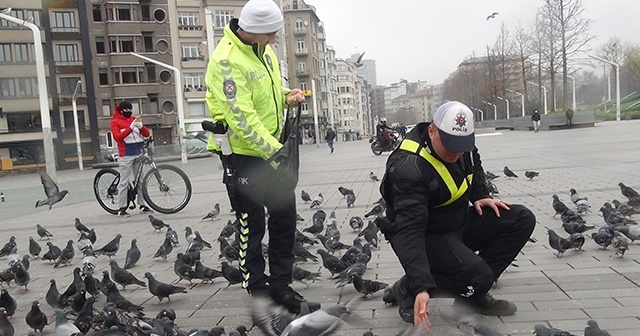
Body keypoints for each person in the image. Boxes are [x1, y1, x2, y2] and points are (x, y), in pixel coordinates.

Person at [204, 0, 320, 314]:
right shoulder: (226, 62)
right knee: (250, 222)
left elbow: (268, 94)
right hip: (243, 154)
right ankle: (257, 287)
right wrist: (274, 152)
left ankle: (281, 285)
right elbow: (241, 117)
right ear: (253, 30)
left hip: (271, 151)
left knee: (284, 216)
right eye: (270, 34)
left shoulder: (264, 51)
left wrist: (287, 97)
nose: (275, 40)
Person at [379, 101, 535, 327]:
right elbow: (409, 230)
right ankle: (408, 288)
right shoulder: (409, 167)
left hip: (456, 221)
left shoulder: (463, 147)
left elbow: (474, 166)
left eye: (462, 144)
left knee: (521, 218)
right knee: (478, 277)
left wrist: (480, 194)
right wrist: (421, 285)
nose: (456, 151)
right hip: (425, 235)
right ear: (431, 131)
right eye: (449, 144)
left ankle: (474, 294)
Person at [110, 101, 154, 217]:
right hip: (126, 154)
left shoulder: (134, 119)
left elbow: (146, 134)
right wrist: (129, 128)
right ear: (121, 110)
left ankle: (143, 204)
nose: (129, 111)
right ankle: (122, 208)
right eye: (126, 110)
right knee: (124, 181)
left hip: (138, 152)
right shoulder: (115, 122)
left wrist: (141, 126)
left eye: (130, 109)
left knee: (140, 180)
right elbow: (117, 137)